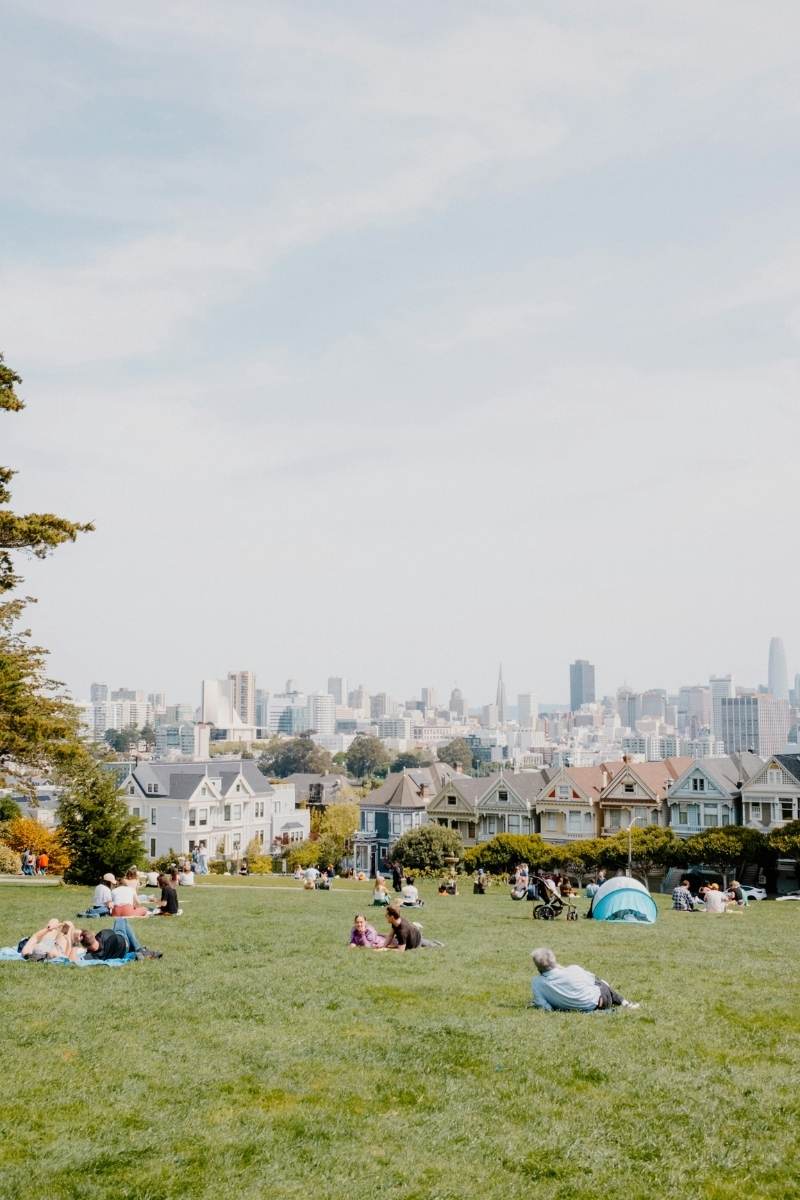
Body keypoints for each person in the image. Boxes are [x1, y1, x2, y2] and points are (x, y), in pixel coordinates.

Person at [530, 946, 640, 1012]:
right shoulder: (573, 969)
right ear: (554, 960)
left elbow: (545, 1007)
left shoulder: (536, 983)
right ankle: (625, 1003)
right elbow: (592, 981)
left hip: (571, 1007)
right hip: (597, 1003)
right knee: (601, 982)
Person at [79, 918, 162, 960]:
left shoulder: (92, 956)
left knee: (118, 928)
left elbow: (74, 960)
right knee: (120, 920)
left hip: (120, 953)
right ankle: (139, 949)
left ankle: (137, 951)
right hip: (123, 941)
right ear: (93, 936)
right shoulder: (104, 933)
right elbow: (113, 933)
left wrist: (74, 942)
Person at [377, 905, 442, 951]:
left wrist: (386, 949)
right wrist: (383, 946)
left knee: (434, 947)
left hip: (416, 943)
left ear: (392, 917)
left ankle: (437, 945)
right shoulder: (396, 921)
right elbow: (390, 935)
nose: (385, 916)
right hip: (415, 935)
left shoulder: (402, 931)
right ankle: (435, 944)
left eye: (387, 915)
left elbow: (400, 951)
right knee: (430, 944)